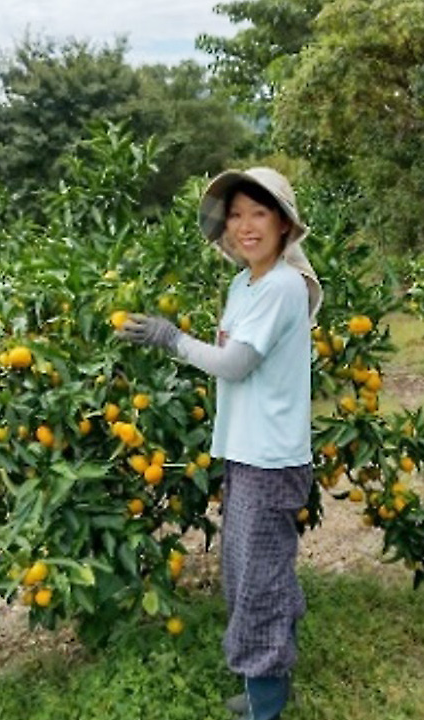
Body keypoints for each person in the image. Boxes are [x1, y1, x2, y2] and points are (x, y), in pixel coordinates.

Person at [118, 167, 322, 720]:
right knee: (247, 572)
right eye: (235, 215)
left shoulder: (282, 285)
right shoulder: (243, 284)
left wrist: (171, 338)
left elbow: (234, 364)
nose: (245, 225)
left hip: (271, 457)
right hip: (246, 451)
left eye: (259, 213)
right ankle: (268, 678)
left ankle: (267, 699)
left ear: (283, 223)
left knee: (257, 579)